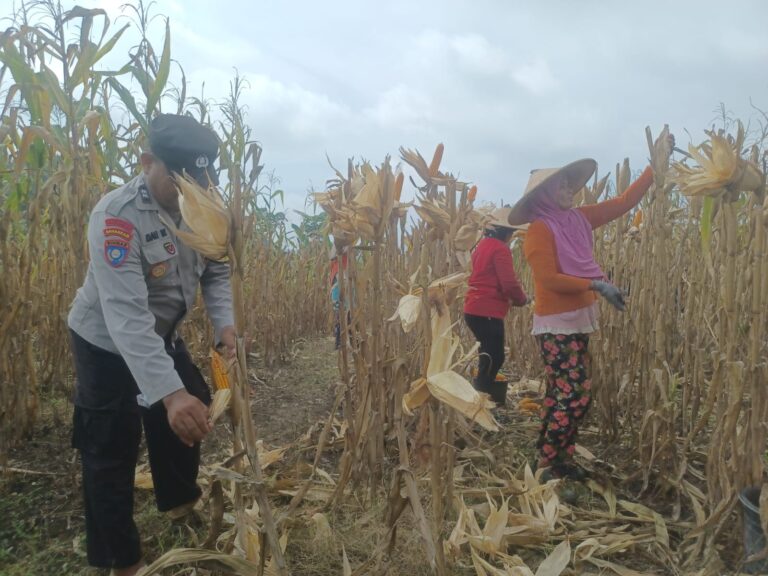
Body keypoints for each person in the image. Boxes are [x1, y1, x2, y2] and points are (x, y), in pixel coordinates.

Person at [68, 114, 236, 576]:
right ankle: (121, 560)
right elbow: (125, 317)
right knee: (110, 448)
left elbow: (217, 268)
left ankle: (179, 503)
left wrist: (226, 326)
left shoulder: (204, 203)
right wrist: (168, 394)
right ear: (147, 163)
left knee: (194, 406)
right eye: (178, 179)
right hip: (105, 342)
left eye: (199, 180)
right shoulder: (116, 217)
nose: (189, 191)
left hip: (161, 335)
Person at [507, 135, 674, 480]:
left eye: (570, 182)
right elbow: (549, 279)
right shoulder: (538, 230)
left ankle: (556, 458)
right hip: (555, 324)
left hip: (578, 318)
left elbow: (625, 202)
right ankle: (548, 463)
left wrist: (656, 163)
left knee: (562, 392)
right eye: (562, 185)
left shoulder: (579, 219)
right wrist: (595, 284)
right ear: (545, 194)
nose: (570, 188)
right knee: (576, 395)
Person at [463, 207, 528, 407]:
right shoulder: (500, 249)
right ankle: (480, 400)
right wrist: (523, 299)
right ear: (506, 233)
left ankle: (482, 397)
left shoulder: (482, 245)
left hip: (472, 309)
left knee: (487, 354)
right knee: (495, 357)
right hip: (487, 311)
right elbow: (508, 283)